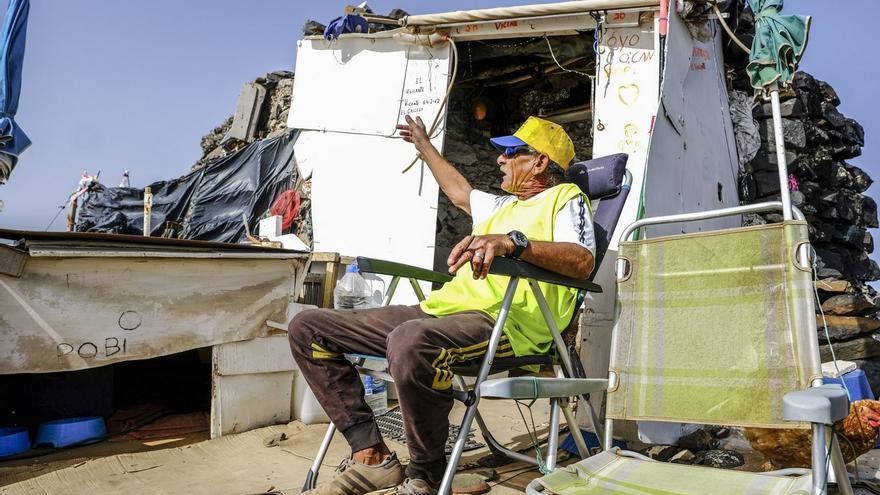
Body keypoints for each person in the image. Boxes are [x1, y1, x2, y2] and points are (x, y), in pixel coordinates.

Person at [288, 115, 596, 495]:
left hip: (506, 321)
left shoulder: (566, 199)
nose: (499, 159)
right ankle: (372, 454)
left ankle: (427, 473)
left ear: (540, 162)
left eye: (510, 152)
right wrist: (423, 144)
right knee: (308, 328)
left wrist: (513, 242)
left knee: (412, 341)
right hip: (441, 311)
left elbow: (582, 260)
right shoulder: (499, 205)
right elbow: (458, 191)